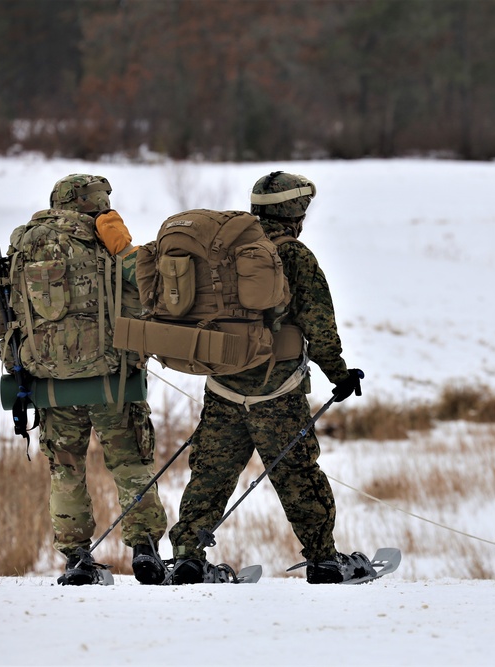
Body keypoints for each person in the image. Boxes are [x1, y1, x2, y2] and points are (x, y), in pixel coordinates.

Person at [166, 171, 372, 585]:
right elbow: (319, 324)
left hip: (223, 384)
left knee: (211, 472)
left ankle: (188, 555)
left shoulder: (224, 250)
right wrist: (339, 373)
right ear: (295, 210)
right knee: (297, 474)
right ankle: (324, 560)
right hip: (277, 390)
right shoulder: (294, 256)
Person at [6, 174, 168, 585]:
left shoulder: (23, 243)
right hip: (112, 378)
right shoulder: (107, 239)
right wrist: (127, 248)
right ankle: (145, 551)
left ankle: (76, 559)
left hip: (48, 381)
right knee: (131, 462)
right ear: (94, 202)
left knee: (65, 469)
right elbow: (148, 290)